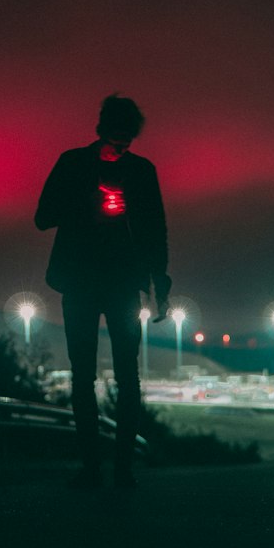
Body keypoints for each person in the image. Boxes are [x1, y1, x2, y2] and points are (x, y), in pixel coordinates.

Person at [34, 94, 172, 489]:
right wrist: (86, 203)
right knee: (83, 376)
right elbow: (42, 217)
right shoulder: (72, 163)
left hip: (122, 283)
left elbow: (156, 231)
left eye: (126, 141)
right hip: (81, 282)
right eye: (115, 139)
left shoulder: (142, 172)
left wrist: (158, 282)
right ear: (100, 130)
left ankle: (122, 469)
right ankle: (94, 468)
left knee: (128, 378)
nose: (119, 148)